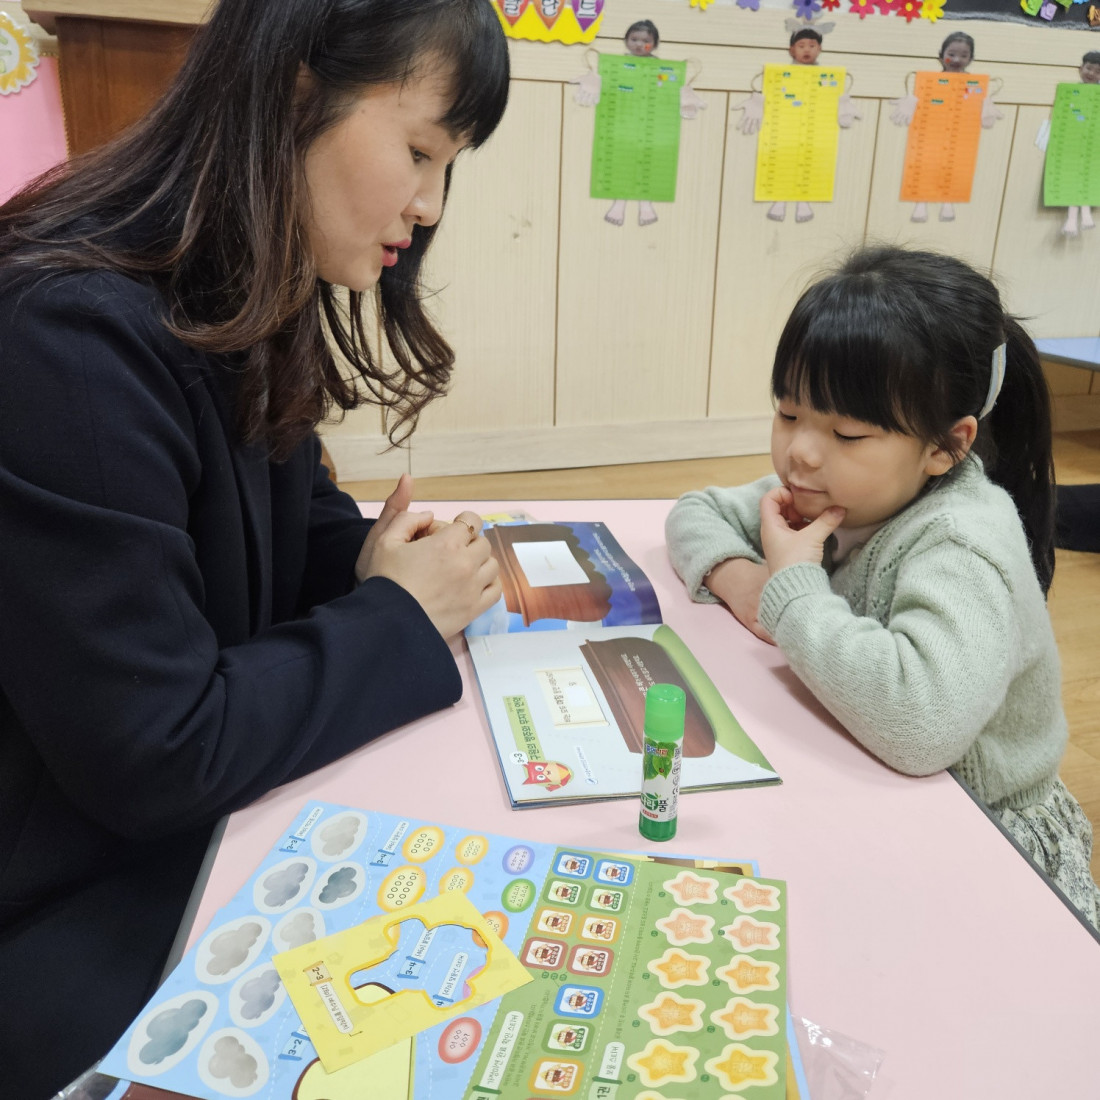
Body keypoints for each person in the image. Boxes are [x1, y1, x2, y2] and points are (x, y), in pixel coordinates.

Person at [0, 0, 508, 1093]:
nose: (428, 206)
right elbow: (159, 749)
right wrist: (399, 613)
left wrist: (377, 558)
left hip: (174, 833)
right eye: (420, 151)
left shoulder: (237, 290)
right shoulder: (68, 336)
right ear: (295, 93)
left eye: (448, 167)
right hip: (68, 898)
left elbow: (280, 523)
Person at [665, 246, 1100, 932]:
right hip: (874, 781)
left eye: (847, 432)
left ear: (946, 447)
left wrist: (795, 591)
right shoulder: (835, 490)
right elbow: (696, 511)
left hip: (985, 836)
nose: (802, 452)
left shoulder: (961, 540)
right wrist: (742, 578)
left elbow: (922, 724)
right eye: (788, 414)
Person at [1058, 50, 1100, 237]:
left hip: (1094, 144)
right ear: (1080, 68)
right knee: (1074, 178)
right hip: (1074, 142)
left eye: (1098, 71)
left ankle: (1086, 213)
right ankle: (1072, 219)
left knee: (1089, 177)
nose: (1092, 74)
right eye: (1089, 68)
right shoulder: (1071, 93)